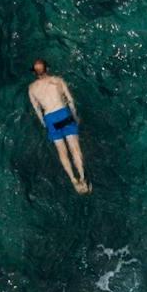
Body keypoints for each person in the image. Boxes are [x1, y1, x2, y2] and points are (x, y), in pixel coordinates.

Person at [28, 60, 89, 194]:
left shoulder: (32, 88)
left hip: (50, 118)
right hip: (63, 113)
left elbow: (37, 109)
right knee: (74, 148)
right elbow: (71, 101)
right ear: (47, 68)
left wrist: (45, 123)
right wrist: (74, 116)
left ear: (34, 73)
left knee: (62, 152)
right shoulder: (58, 80)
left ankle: (73, 179)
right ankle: (83, 178)